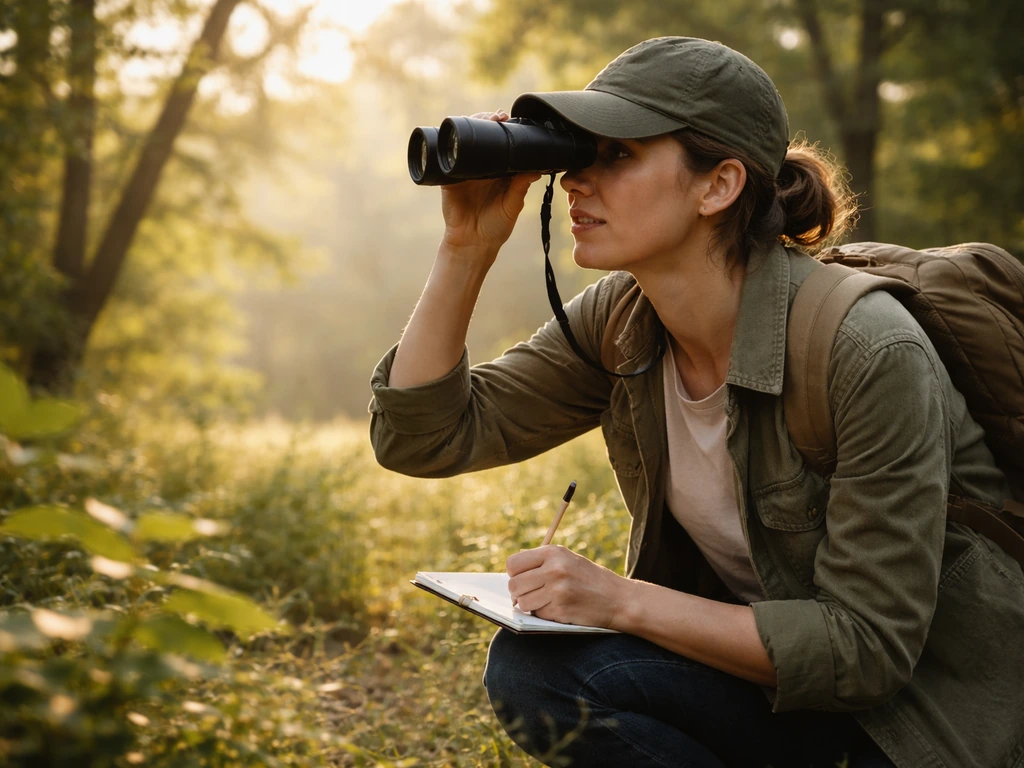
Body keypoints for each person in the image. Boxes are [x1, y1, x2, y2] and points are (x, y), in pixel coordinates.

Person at [368, 37, 1023, 768]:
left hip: (921, 719)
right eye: (577, 154)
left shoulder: (865, 349)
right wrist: (466, 247)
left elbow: (865, 652)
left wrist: (620, 602)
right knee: (535, 672)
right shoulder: (624, 318)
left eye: (616, 156)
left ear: (718, 187)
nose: (579, 180)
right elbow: (424, 437)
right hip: (778, 688)